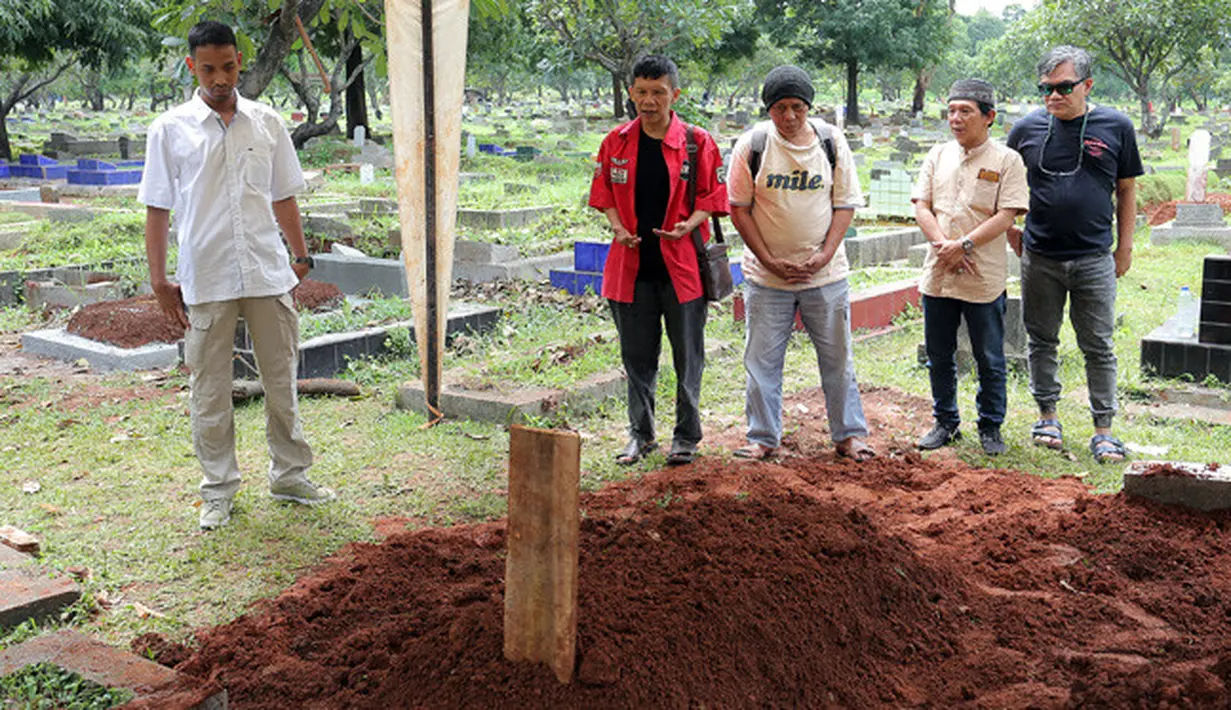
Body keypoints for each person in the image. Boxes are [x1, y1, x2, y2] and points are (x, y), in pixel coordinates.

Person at [139, 21, 335, 530]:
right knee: (210, 388)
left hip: (268, 274)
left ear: (240, 61)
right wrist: (159, 280)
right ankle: (218, 489)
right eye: (208, 69)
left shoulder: (267, 123)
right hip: (206, 276)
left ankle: (290, 474)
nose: (220, 78)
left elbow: (284, 195)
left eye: (228, 67)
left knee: (280, 378)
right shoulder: (169, 129)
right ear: (192, 67)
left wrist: (301, 256)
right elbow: (157, 209)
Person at [726, 65, 875, 462]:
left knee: (838, 358)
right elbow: (738, 209)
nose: (789, 116)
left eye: (796, 107)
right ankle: (762, 436)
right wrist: (769, 260)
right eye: (779, 108)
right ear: (768, 110)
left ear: (809, 107)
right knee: (761, 360)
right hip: (766, 278)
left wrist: (824, 255)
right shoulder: (753, 145)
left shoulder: (830, 141)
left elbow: (845, 203)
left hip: (824, 275)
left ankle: (848, 434)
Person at [588, 55, 729, 466]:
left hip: (682, 269)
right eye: (642, 93)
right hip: (630, 269)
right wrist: (618, 228)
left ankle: (686, 435)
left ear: (674, 94)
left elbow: (712, 198)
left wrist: (689, 225)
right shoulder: (616, 141)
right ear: (631, 92)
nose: (649, 101)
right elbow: (604, 196)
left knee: (688, 356)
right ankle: (641, 434)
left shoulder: (696, 142)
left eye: (658, 93)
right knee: (636, 359)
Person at [1006, 46, 1142, 464]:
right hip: (1041, 257)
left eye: (1064, 87)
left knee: (1098, 345)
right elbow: (1005, 184)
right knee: (1041, 340)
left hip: (1093, 258)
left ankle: (1104, 430)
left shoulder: (1116, 126)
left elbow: (1126, 190)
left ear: (1087, 85)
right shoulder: (1026, 128)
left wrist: (1125, 248)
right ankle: (1047, 416)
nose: (1054, 96)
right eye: (1046, 88)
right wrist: (1013, 231)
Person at [912, 79, 1029, 455]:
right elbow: (922, 206)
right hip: (939, 274)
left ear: (989, 116)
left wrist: (963, 245)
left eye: (966, 111)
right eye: (951, 111)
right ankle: (945, 421)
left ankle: (991, 425)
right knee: (939, 354)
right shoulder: (938, 155)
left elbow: (1007, 214)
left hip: (983, 276)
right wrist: (944, 247)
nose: (956, 119)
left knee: (989, 356)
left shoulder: (1007, 161)